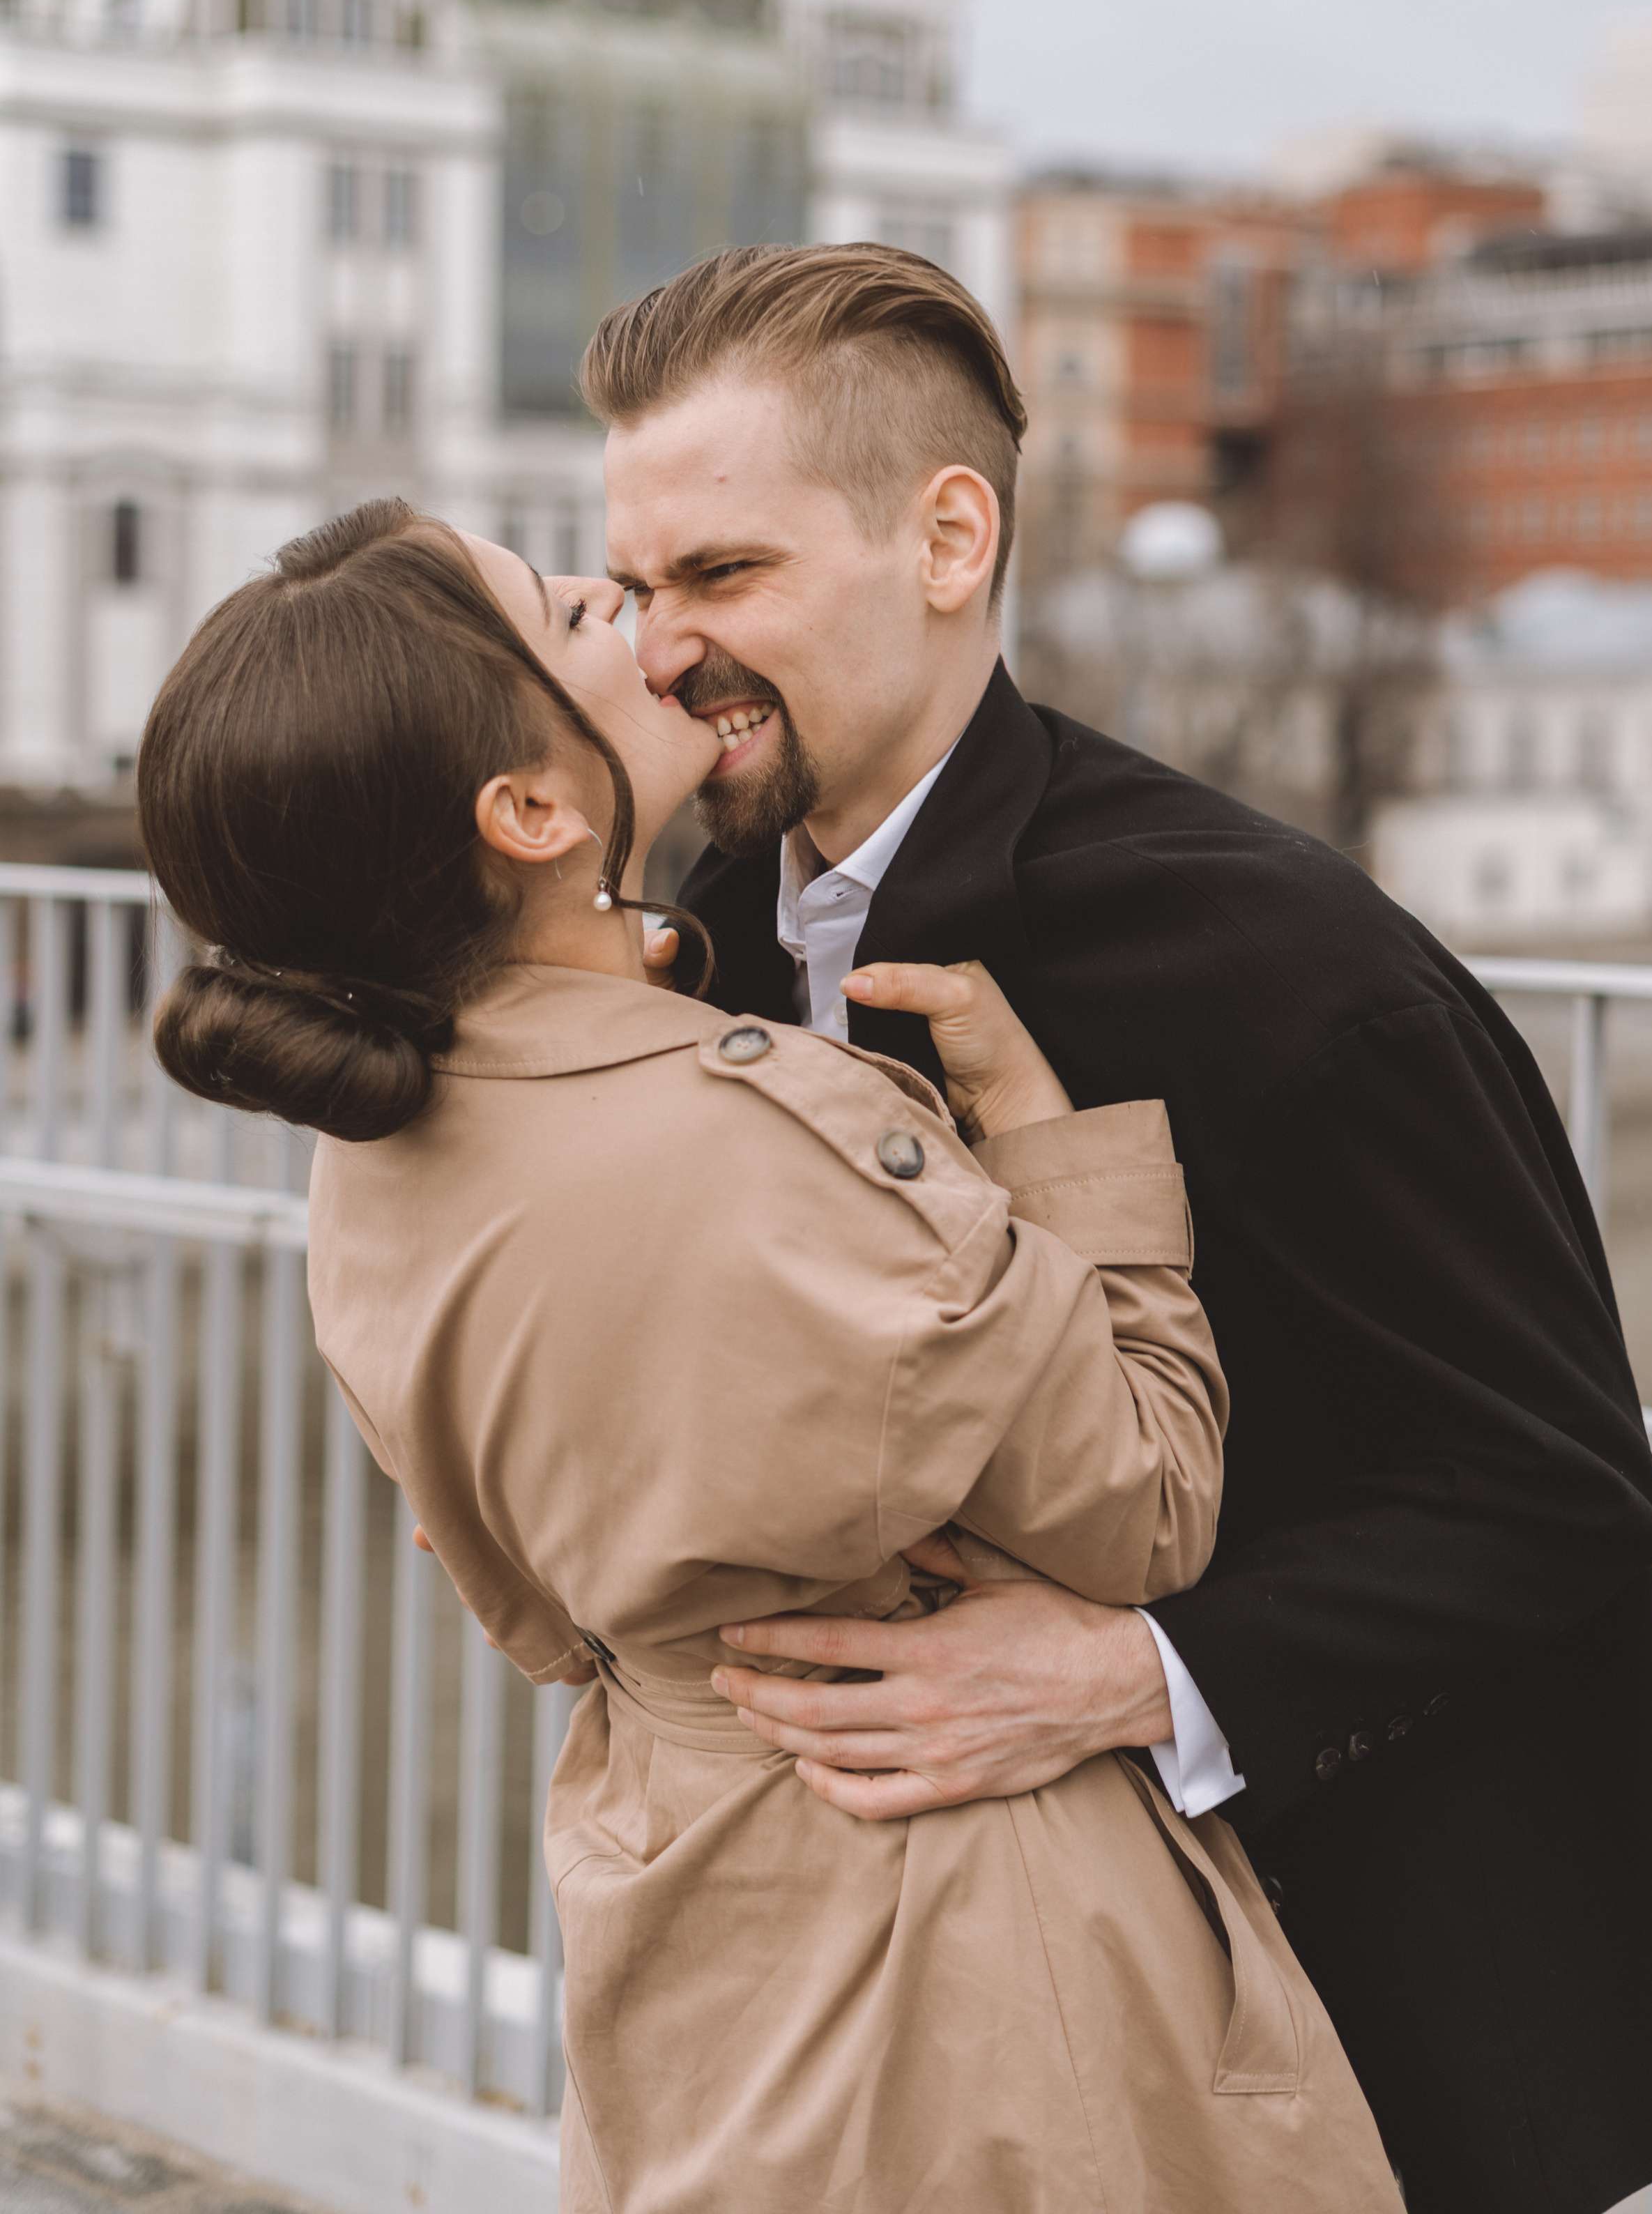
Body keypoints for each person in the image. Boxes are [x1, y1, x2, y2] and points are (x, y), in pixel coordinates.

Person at [590, 241, 1652, 2214]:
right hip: (928, 2041)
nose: (661, 648)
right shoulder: (707, 938)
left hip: (1358, 2042)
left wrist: (1133, 1672)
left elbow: (1553, 1484)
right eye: (636, 586)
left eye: (723, 576)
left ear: (950, 541)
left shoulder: (1287, 962)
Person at [135, 500, 1402, 2214]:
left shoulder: (364, 1154)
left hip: (676, 1900)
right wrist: (1045, 1137)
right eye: (583, 613)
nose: (650, 628)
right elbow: (1152, 1506)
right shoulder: (769, 1147)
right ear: (527, 808)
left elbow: (519, 1608)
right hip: (952, 1955)